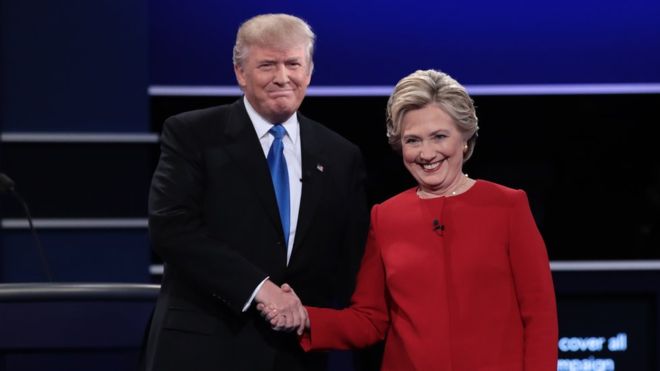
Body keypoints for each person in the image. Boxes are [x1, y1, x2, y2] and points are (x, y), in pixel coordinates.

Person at [261, 69, 558, 370]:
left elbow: (540, 315)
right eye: (413, 140)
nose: (426, 153)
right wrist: (306, 316)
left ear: (465, 139)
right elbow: (370, 320)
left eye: (439, 137)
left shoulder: (507, 206)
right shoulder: (386, 216)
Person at [143, 13, 369, 371]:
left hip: (294, 354)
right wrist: (259, 288)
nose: (283, 77)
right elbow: (172, 228)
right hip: (204, 348)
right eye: (267, 65)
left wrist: (319, 318)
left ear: (309, 71)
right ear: (240, 73)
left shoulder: (341, 155)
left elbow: (350, 259)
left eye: (293, 64)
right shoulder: (193, 134)